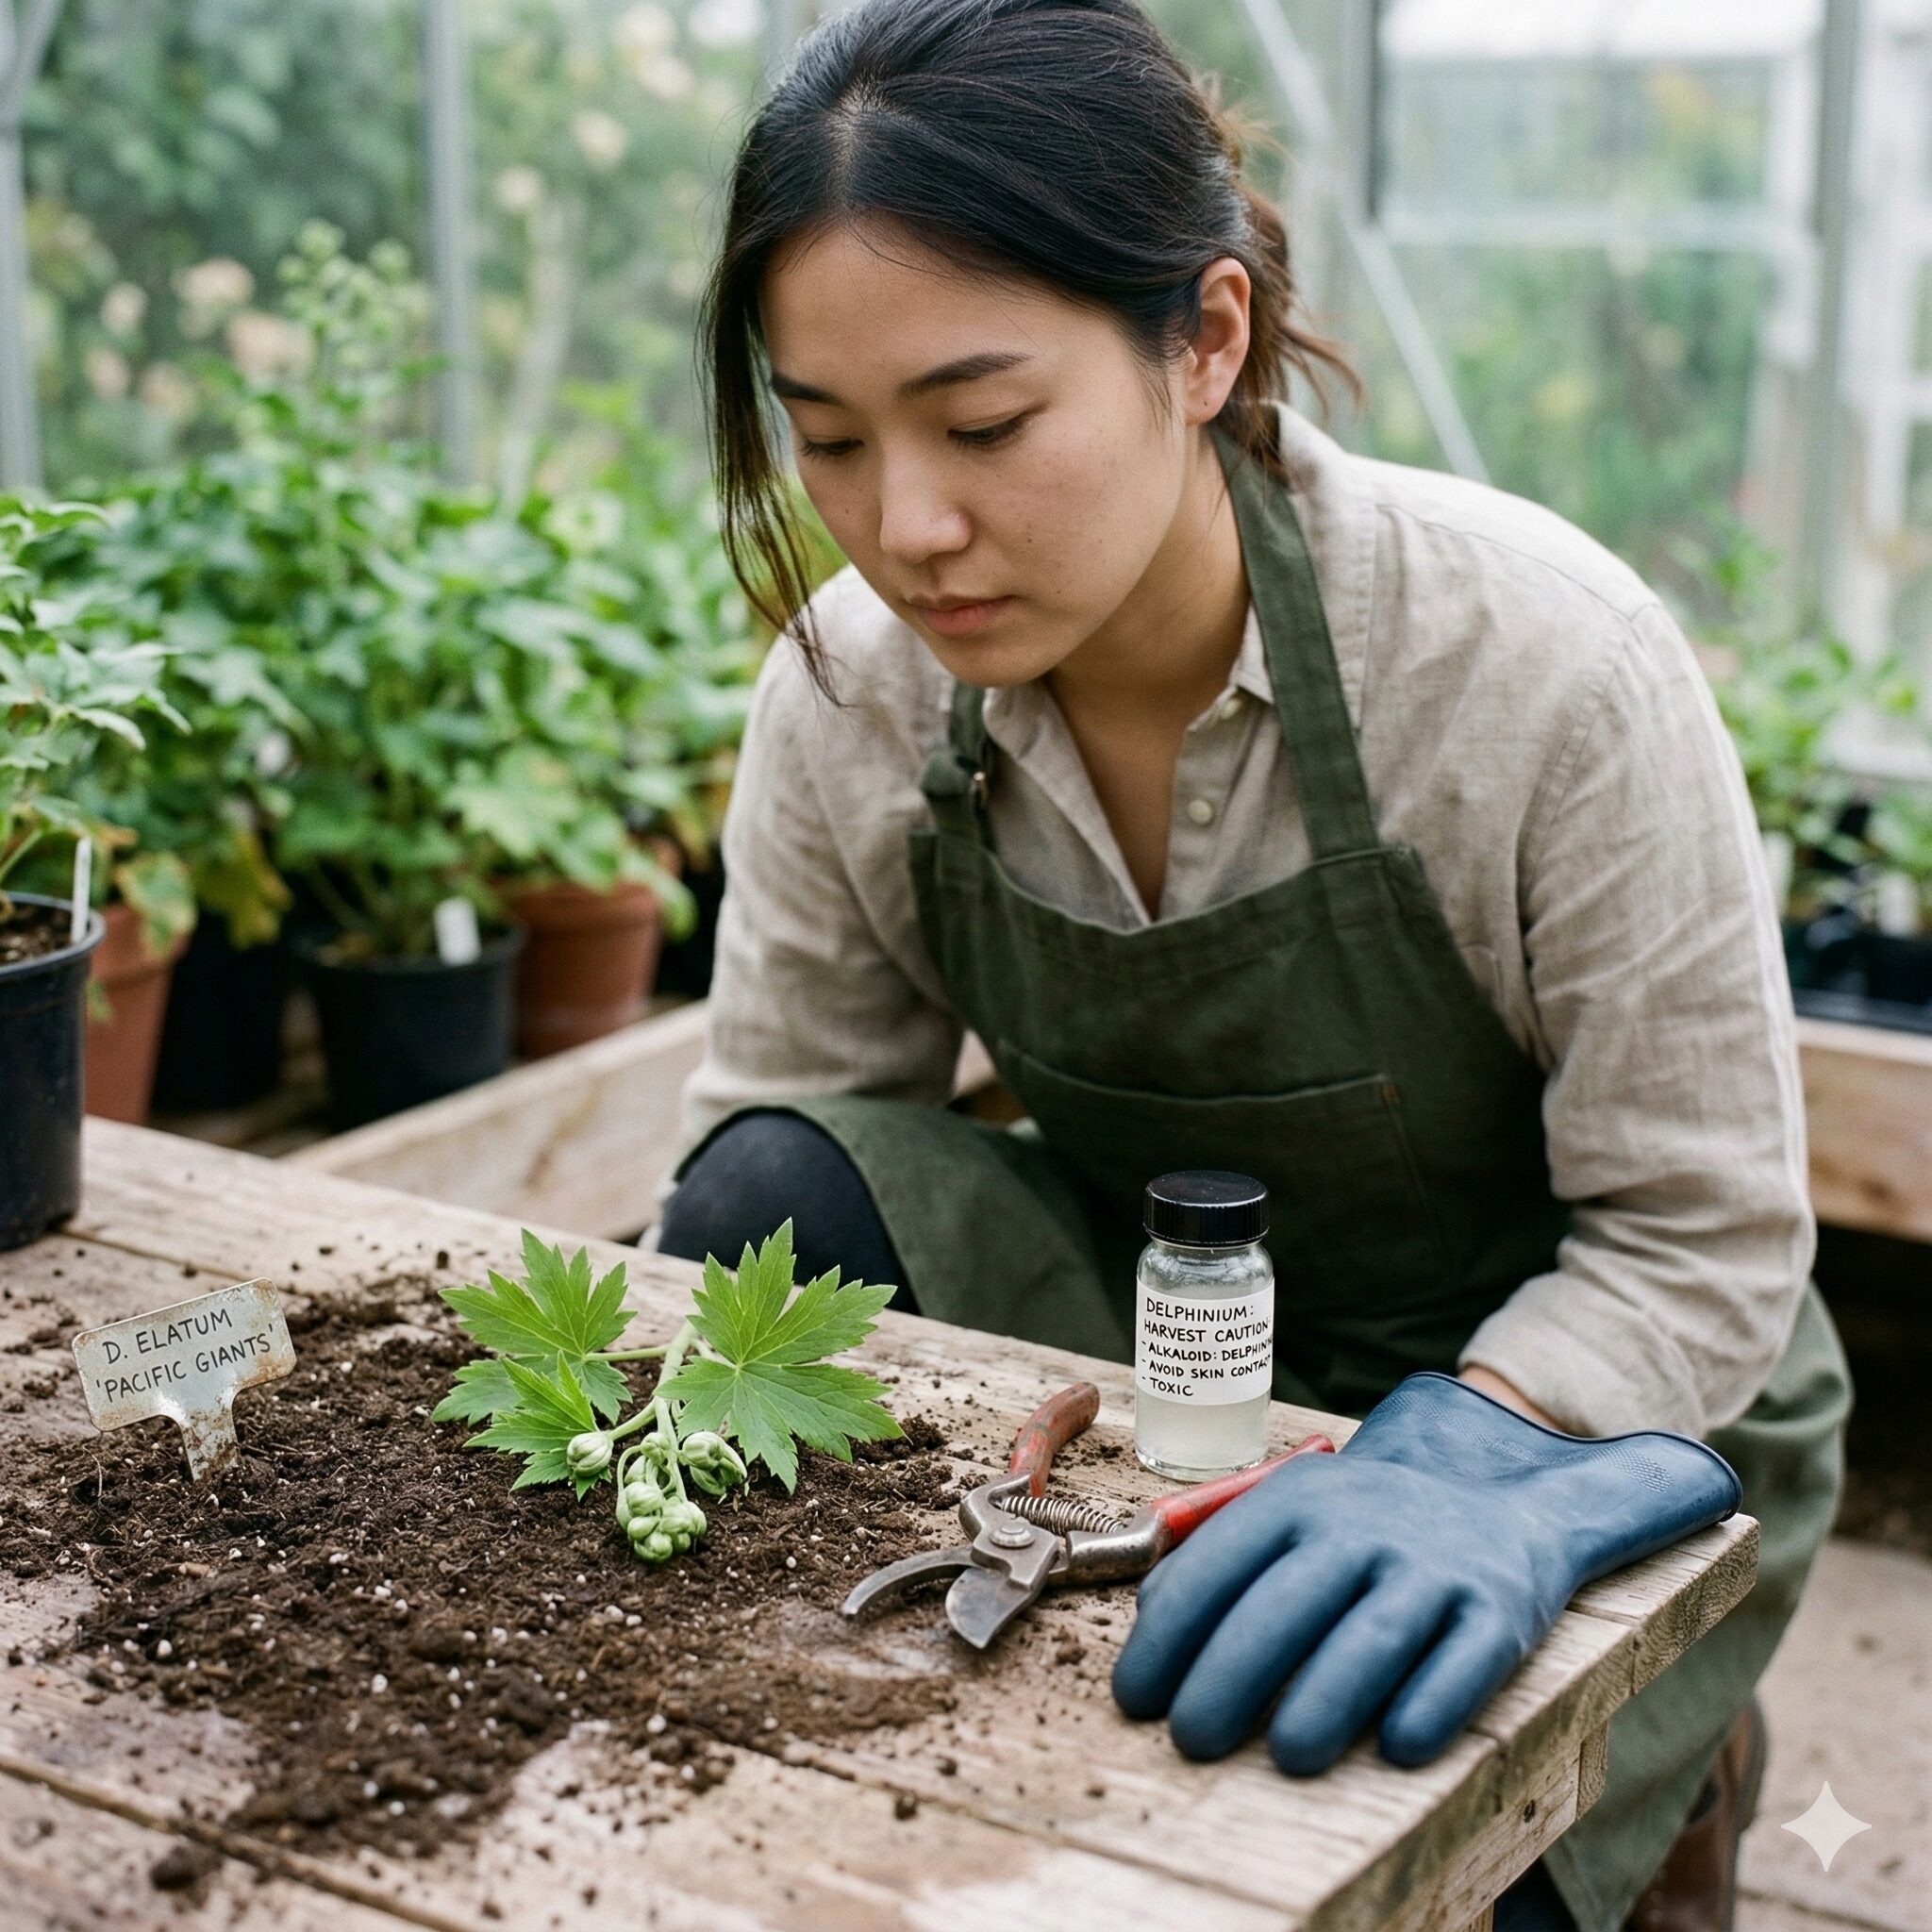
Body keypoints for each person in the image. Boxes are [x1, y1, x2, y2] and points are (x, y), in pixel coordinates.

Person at [653, 4, 1850, 1927]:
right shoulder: (854, 704)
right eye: (829, 445)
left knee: (1410, 1866)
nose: (906, 529)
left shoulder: (1537, 668)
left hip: (1572, 1402)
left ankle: (1672, 1760)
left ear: (1203, 341)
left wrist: (1451, 1458)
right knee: (767, 1202)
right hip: (1177, 1349)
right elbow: (799, 1159)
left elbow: (1700, 1242)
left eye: (981, 426)